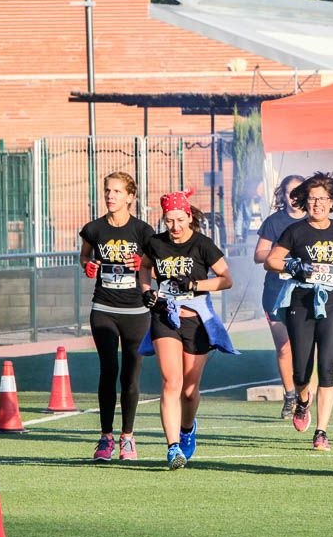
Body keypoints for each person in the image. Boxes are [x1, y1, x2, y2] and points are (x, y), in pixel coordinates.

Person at [265, 172, 333, 450]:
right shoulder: (295, 231)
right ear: (305, 202)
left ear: (332, 202)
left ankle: (321, 431)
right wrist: (293, 266)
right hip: (301, 302)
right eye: (312, 199)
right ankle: (302, 400)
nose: (317, 204)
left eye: (323, 199)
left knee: (327, 368)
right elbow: (271, 260)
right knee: (301, 372)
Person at [141, 190, 235, 470]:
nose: (175, 226)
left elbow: (226, 279)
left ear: (189, 217)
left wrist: (195, 285)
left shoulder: (203, 245)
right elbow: (144, 267)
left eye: (180, 220)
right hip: (165, 317)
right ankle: (173, 448)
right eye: (169, 220)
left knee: (190, 390)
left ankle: (187, 429)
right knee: (172, 382)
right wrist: (146, 291)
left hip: (196, 320)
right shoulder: (155, 243)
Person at [78, 172, 154, 462]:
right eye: (108, 191)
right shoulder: (94, 229)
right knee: (108, 371)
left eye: (118, 191)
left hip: (136, 311)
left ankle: (128, 438)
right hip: (104, 308)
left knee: (130, 376)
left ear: (130, 197)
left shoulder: (143, 231)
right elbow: (84, 257)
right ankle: (105, 437)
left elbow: (156, 265)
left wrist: (142, 263)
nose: (111, 196)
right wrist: (87, 266)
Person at [253, 174, 305, 418]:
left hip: (305, 292)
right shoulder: (274, 221)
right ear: (282, 195)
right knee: (284, 347)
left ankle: (305, 395)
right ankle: (290, 395)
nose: (294, 197)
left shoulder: (313, 219)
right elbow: (259, 254)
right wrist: (284, 258)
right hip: (276, 290)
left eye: (298, 192)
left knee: (306, 346)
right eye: (289, 192)